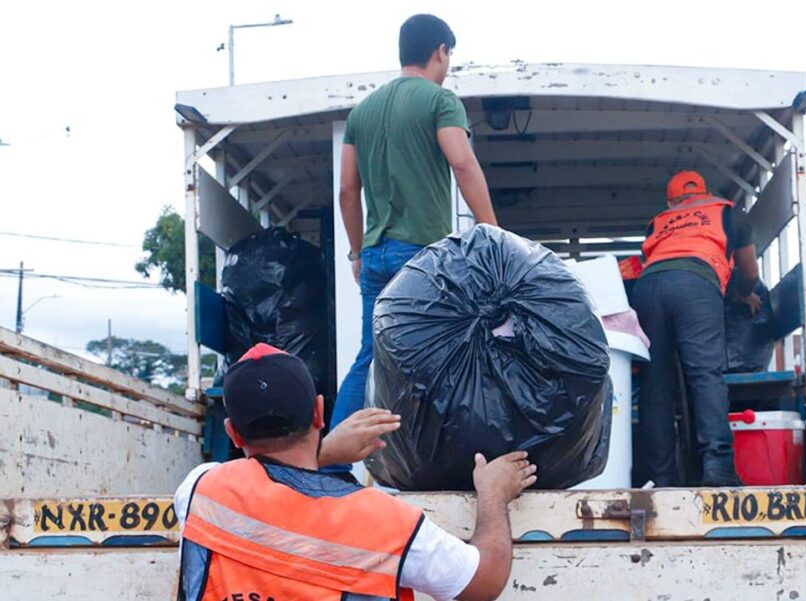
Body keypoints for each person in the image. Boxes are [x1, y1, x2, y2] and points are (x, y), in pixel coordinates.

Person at [175, 343, 536, 601]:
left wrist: (325, 451)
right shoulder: (384, 522)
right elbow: (483, 582)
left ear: (232, 433)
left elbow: (277, 484)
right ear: (318, 413)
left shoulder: (201, 492)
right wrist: (493, 493)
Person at [335, 13, 498, 435]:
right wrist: (493, 234)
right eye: (449, 57)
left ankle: (332, 461)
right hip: (422, 256)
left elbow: (347, 192)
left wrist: (357, 252)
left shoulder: (362, 112)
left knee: (370, 357)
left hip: (375, 255)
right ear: (440, 52)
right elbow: (462, 163)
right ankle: (436, 457)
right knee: (440, 354)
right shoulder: (440, 100)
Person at [634, 170, 759, 487]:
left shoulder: (659, 219)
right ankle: (717, 468)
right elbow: (749, 269)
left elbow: (651, 259)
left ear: (671, 199)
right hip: (695, 283)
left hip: (648, 287)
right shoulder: (727, 211)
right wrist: (744, 294)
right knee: (705, 375)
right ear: (705, 191)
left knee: (655, 384)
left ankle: (661, 478)